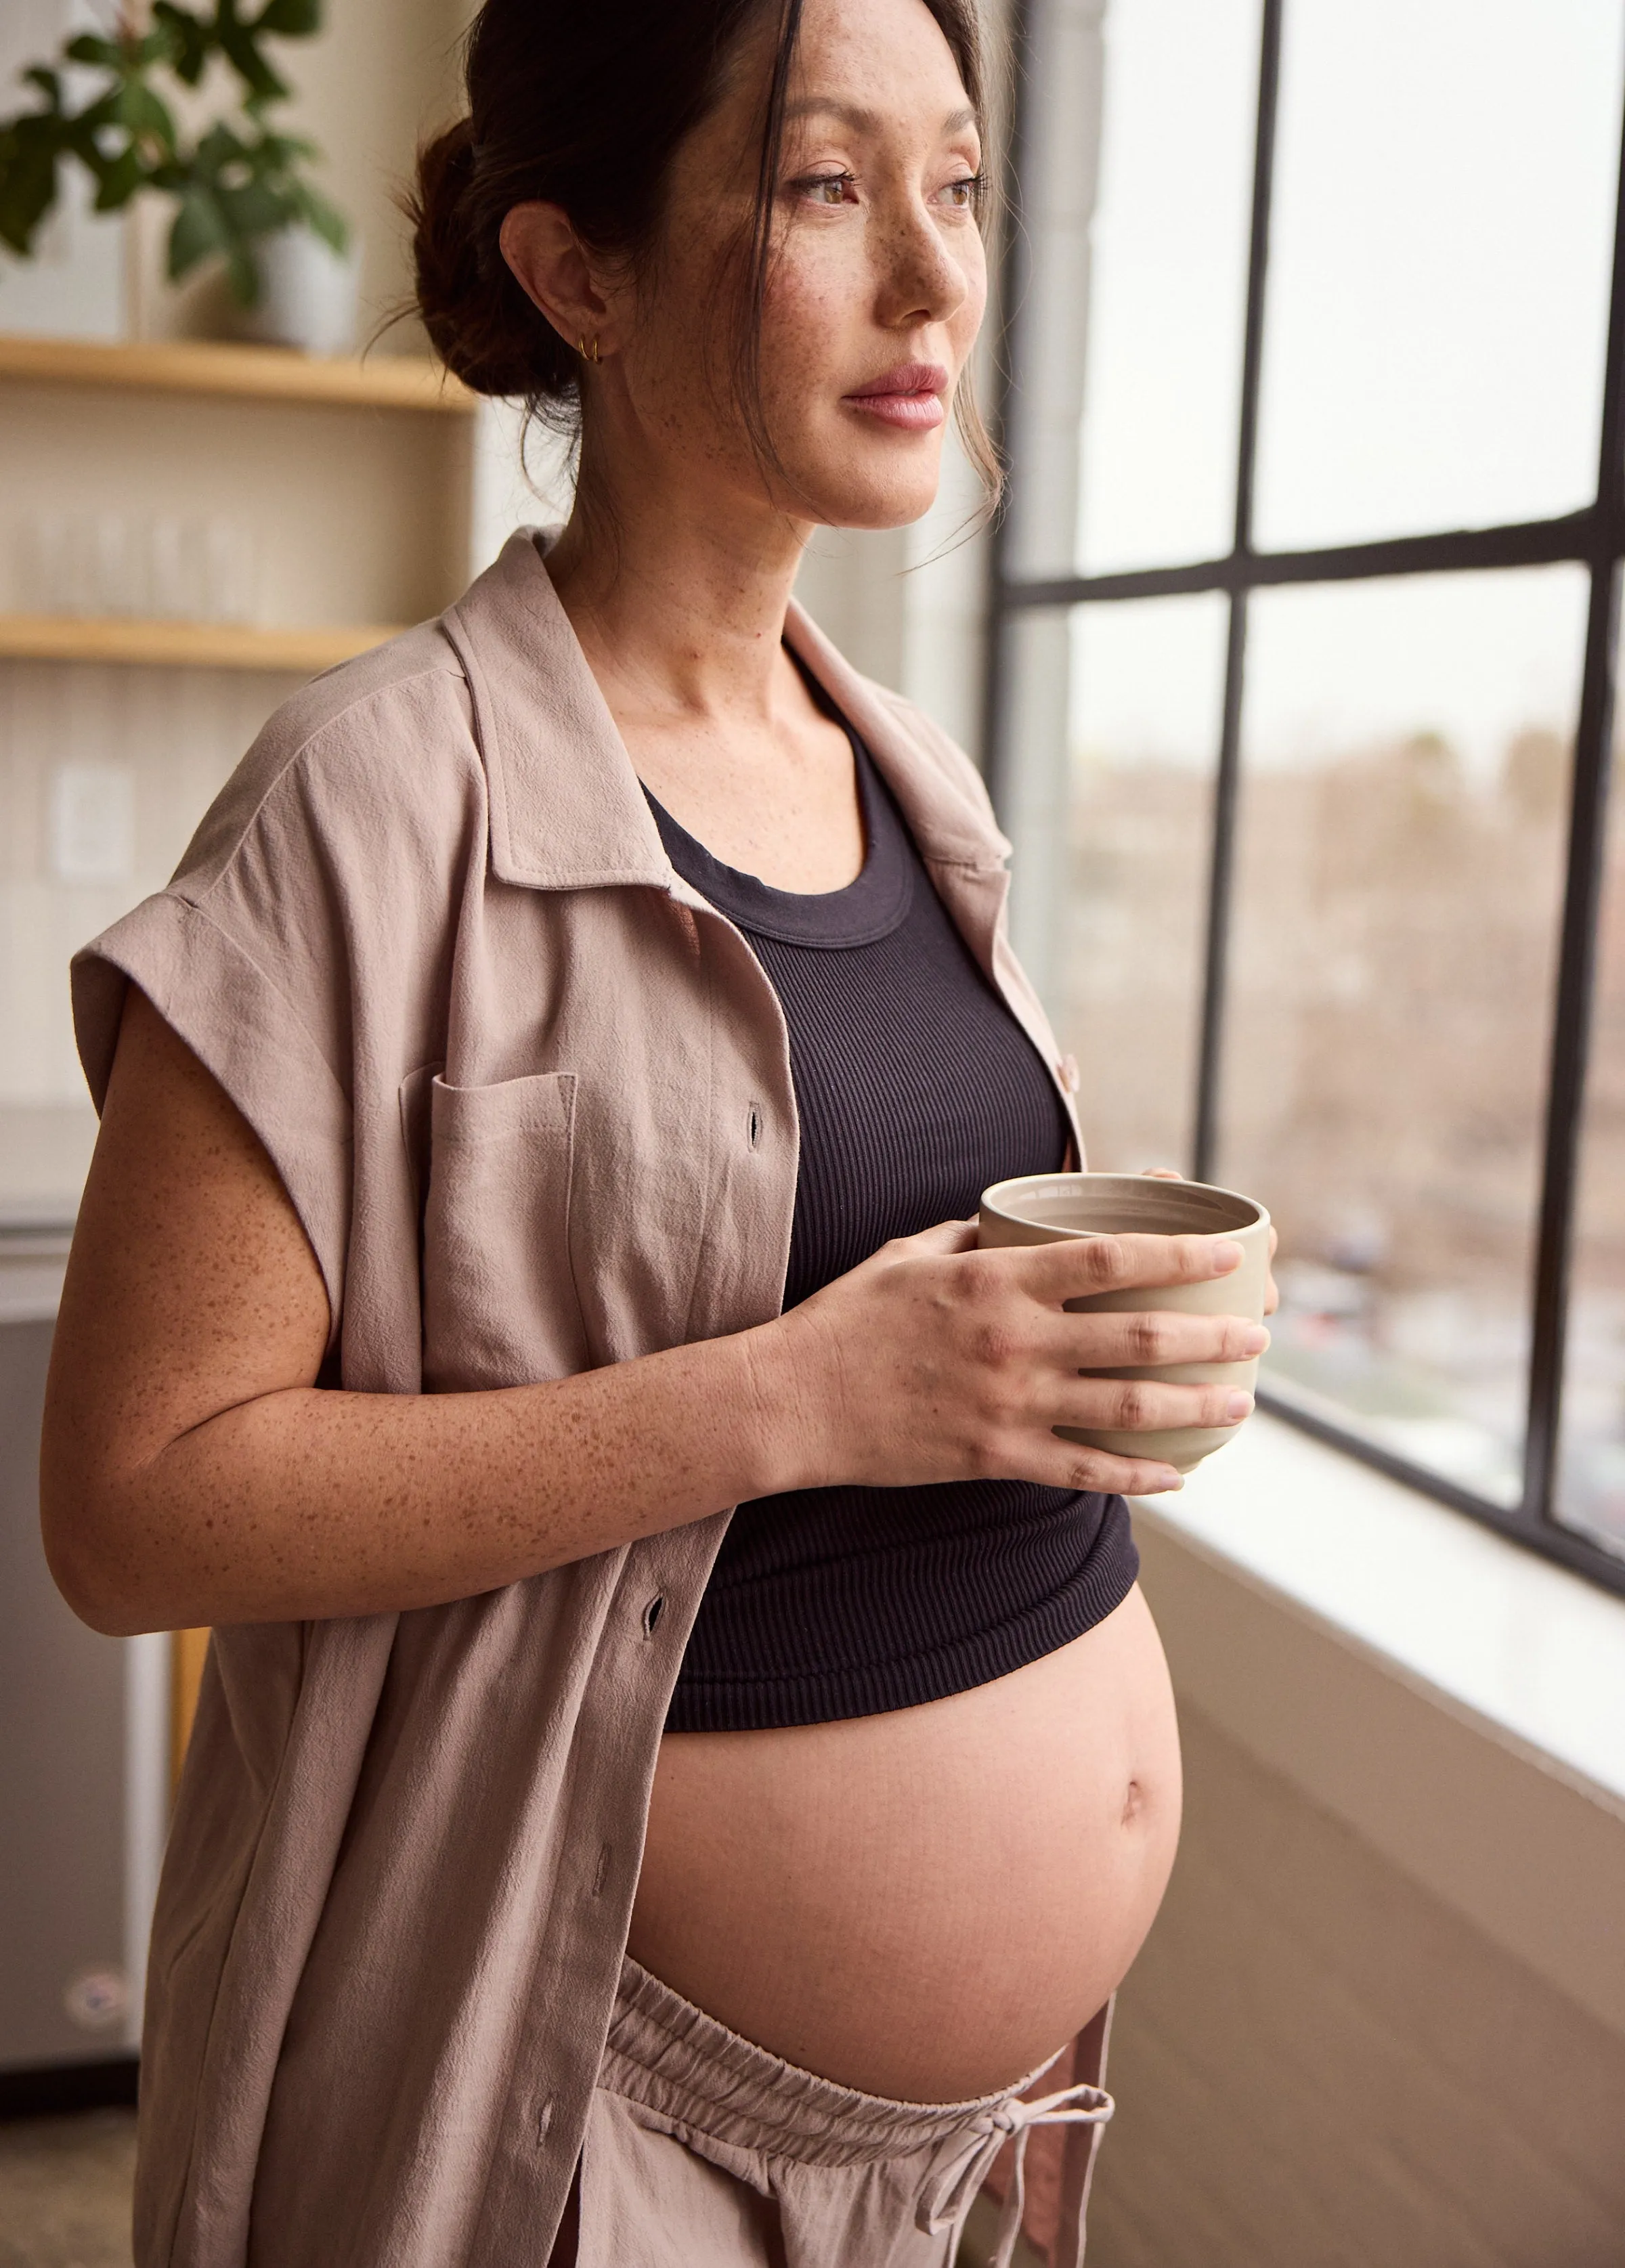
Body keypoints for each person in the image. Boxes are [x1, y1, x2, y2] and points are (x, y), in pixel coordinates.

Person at [41, 0, 1272, 2261]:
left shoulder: (917, 778)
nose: (933, 278)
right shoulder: (373, 799)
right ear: (577, 270)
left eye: (965, 183)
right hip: (589, 2130)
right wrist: (800, 1395)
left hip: (968, 2149)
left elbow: (903, 1326)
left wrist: (1098, 1363)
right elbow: (135, 1509)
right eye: (826, 186)